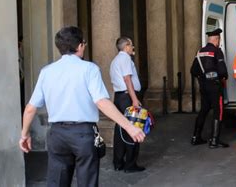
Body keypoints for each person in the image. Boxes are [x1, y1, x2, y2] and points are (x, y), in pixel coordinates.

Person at [19, 26, 145, 187]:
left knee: (56, 183)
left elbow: (30, 108)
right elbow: (102, 102)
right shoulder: (89, 69)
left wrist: (24, 134)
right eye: (84, 43)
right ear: (79, 46)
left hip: (56, 134)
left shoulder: (46, 71)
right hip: (83, 134)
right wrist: (130, 127)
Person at [110, 36, 145, 173]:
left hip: (120, 97)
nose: (133, 48)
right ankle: (130, 164)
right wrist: (134, 99)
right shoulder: (125, 58)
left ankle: (118, 162)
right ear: (126, 46)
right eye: (131, 45)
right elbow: (127, 80)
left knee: (120, 130)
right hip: (127, 97)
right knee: (133, 128)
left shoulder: (116, 60)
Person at [190, 28, 229, 148]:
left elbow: (193, 71)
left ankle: (196, 137)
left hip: (203, 87)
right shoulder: (217, 51)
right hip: (215, 87)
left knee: (203, 110)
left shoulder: (200, 52)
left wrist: (203, 78)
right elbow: (222, 72)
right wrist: (222, 78)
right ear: (216, 40)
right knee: (218, 111)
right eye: (219, 39)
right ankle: (214, 140)